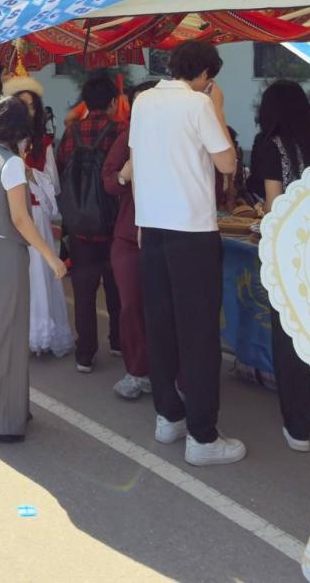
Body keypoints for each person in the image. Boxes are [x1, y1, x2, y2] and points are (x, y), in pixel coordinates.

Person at [129, 41, 245, 466]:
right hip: (192, 230)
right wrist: (216, 107)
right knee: (197, 334)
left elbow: (137, 159)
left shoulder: (143, 101)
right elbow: (227, 164)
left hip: (152, 227)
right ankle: (202, 436)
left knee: (160, 326)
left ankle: (168, 415)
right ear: (205, 75)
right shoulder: (198, 105)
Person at [250, 80, 310, 451]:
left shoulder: (275, 147)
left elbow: (275, 207)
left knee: (290, 337)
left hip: (292, 253)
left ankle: (298, 426)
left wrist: (262, 228)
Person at [0, 96, 68, 443]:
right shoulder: (11, 164)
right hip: (5, 254)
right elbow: (21, 218)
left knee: (1, 335)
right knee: (5, 338)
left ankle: (10, 411)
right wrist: (50, 257)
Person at [0, 77, 74, 356]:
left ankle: (16, 343)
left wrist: (32, 175)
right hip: (8, 226)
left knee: (21, 284)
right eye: (22, 106)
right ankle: (3, 350)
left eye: (32, 106)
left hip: (23, 216)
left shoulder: (35, 144)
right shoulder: (4, 157)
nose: (28, 112)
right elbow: (17, 218)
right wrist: (51, 256)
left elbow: (52, 186)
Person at [57, 73, 124, 373]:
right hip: (112, 220)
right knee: (116, 286)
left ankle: (85, 354)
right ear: (112, 102)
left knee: (83, 291)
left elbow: (60, 166)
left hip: (80, 224)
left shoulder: (71, 133)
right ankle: (119, 341)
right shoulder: (119, 130)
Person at [102, 80, 156, 401]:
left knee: (164, 308)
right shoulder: (126, 139)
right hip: (128, 237)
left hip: (165, 234)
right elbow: (109, 181)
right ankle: (137, 371)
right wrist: (124, 175)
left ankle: (171, 372)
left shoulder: (175, 139)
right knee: (132, 306)